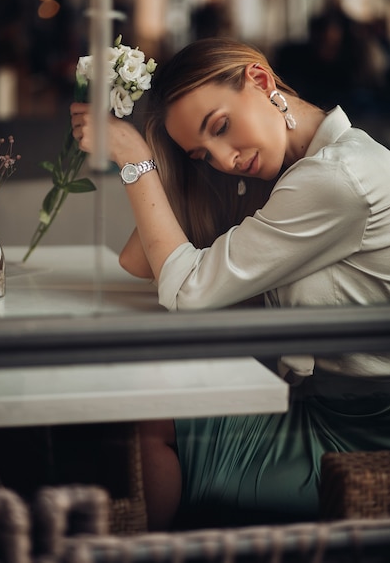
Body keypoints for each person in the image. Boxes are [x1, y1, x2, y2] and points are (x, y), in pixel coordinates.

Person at [70, 37, 390, 531]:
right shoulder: (300, 171)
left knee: (144, 421)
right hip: (328, 410)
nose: (223, 159)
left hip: (367, 435)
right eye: (203, 154)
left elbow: (187, 292)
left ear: (260, 81)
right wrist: (172, 166)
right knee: (146, 408)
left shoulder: (333, 180)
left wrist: (133, 157)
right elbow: (139, 260)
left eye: (220, 127)